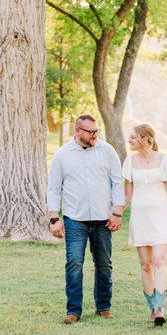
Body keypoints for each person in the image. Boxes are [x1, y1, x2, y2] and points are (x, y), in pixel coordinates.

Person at [46, 115, 125, 324]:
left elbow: (118, 182)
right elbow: (53, 189)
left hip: (103, 219)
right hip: (75, 219)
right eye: (91, 132)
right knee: (74, 263)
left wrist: (117, 212)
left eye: (96, 131)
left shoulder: (107, 150)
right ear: (78, 131)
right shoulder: (62, 155)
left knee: (104, 264)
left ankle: (104, 307)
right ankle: (73, 311)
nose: (95, 135)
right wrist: (54, 218)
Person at [122, 124, 167, 326]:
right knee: (145, 264)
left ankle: (160, 308)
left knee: (159, 260)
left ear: (145, 138)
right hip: (140, 218)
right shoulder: (129, 162)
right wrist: (116, 214)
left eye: (133, 137)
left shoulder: (164, 160)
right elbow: (127, 195)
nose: (129, 140)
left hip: (161, 218)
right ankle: (151, 307)